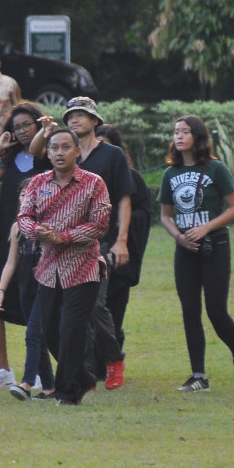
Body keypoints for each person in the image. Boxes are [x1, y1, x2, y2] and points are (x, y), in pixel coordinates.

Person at [31, 97, 134, 390]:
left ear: (95, 120)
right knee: (63, 315)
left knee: (95, 306)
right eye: (71, 116)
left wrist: (122, 241)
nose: (75, 119)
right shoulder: (62, 151)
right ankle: (83, 371)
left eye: (82, 115)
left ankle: (113, 359)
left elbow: (124, 198)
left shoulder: (112, 155)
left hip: (99, 241)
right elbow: (34, 153)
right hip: (58, 246)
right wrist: (45, 132)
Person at [158, 115, 234, 393]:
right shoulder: (170, 174)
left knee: (216, 311)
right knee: (190, 310)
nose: (178, 136)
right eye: (176, 132)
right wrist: (179, 237)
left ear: (198, 137)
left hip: (215, 246)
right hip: (185, 249)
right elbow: (165, 215)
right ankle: (198, 376)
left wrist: (206, 228)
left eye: (185, 132)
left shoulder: (216, 168)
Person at [18, 128, 110, 406]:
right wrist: (36, 231)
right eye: (54, 148)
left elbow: (100, 224)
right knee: (50, 331)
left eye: (66, 147)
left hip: (83, 268)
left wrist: (64, 237)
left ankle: (67, 393)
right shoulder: (38, 183)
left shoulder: (94, 183)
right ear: (47, 153)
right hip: (47, 269)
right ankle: (82, 376)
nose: (60, 152)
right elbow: (24, 217)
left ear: (77, 151)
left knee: (72, 329)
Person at [0, 102, 51, 389]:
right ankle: (3, 368)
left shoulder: (48, 155)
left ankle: (41, 370)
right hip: (4, 233)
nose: (22, 131)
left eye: (27, 125)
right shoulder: (12, 157)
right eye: (17, 127)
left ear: (38, 125)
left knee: (35, 297)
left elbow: (38, 149)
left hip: (37, 238)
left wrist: (44, 132)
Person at [0, 179, 56, 401]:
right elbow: (11, 262)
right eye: (22, 194)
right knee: (38, 337)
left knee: (32, 335)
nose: (25, 198)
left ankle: (27, 384)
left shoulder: (49, 226)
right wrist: (1, 290)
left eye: (31, 194)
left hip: (45, 287)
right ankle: (49, 388)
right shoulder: (16, 228)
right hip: (25, 288)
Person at [95, 124, 151, 357]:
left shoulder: (131, 177)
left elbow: (144, 213)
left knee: (113, 310)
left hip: (119, 255)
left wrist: (119, 224)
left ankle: (112, 358)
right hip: (91, 250)